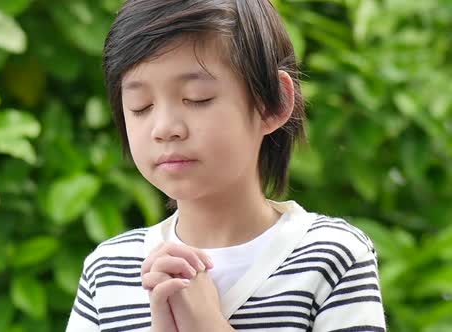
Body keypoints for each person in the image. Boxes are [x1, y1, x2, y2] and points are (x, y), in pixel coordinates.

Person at [66, 0, 386, 331]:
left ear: (272, 103)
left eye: (197, 98)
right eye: (140, 106)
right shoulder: (108, 271)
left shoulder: (332, 257)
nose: (163, 127)